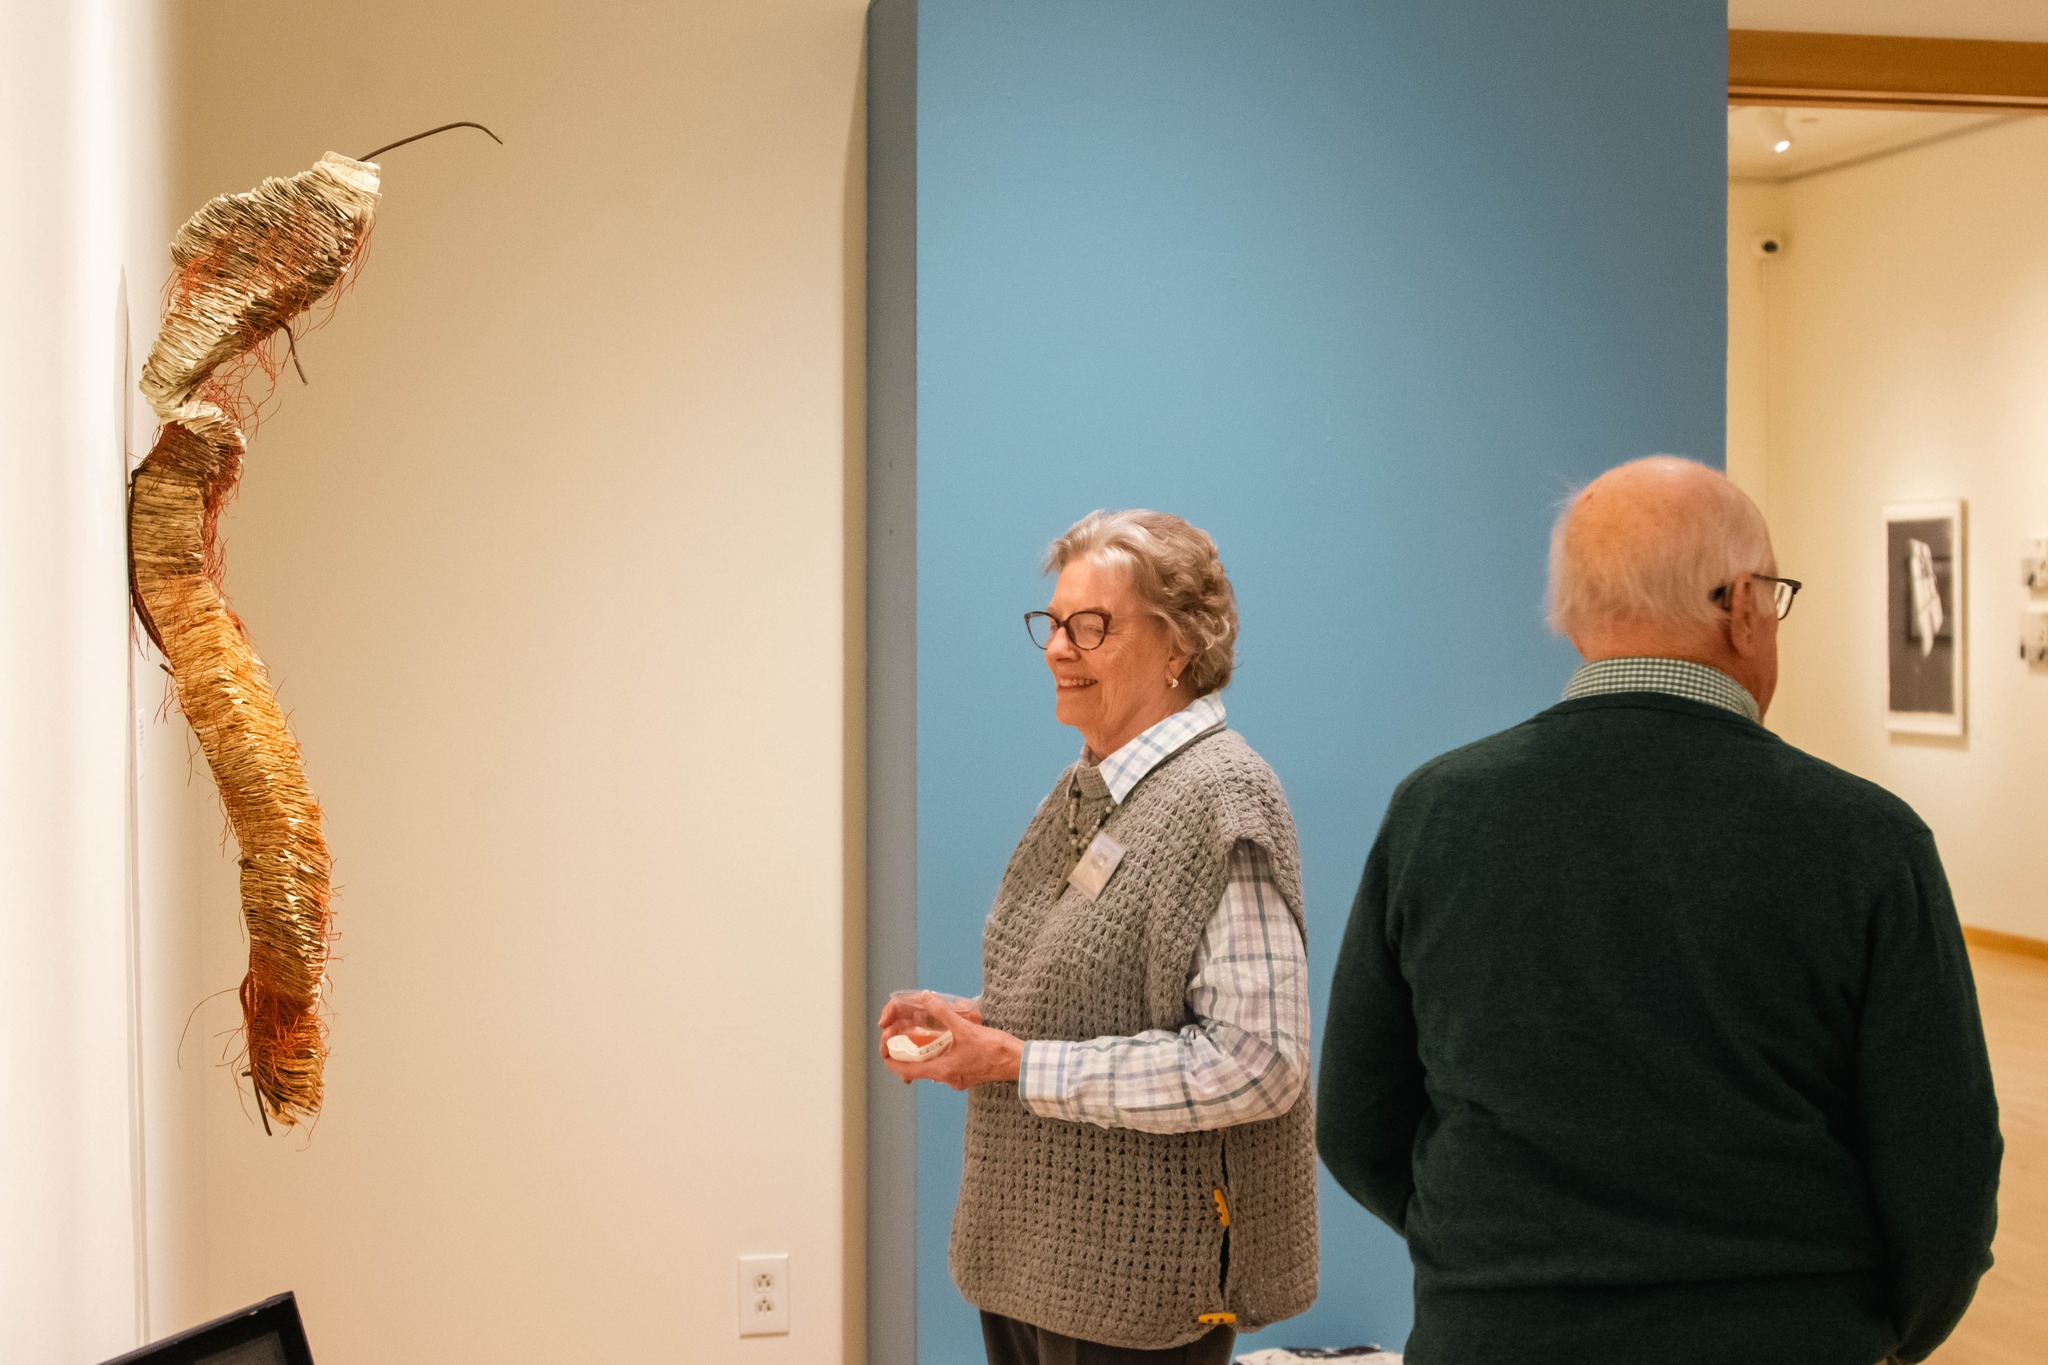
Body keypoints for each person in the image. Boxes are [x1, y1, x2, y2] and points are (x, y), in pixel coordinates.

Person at [1317, 456, 2002, 1365]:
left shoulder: (1435, 813)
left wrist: (1493, 1260)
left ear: (1572, 617)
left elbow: (1356, 1121)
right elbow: (1944, 1176)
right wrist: (1867, 1330)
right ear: (1744, 605)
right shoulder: (1867, 838)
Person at [881, 509, 1318, 1365]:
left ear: (1180, 643)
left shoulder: (1222, 794)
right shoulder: (1091, 787)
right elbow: (1097, 999)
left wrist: (1017, 1062)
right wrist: (973, 1027)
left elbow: (1257, 1060)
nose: (1057, 648)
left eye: (1092, 625)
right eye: (1052, 623)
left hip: (1138, 1293)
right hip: (1034, 1264)